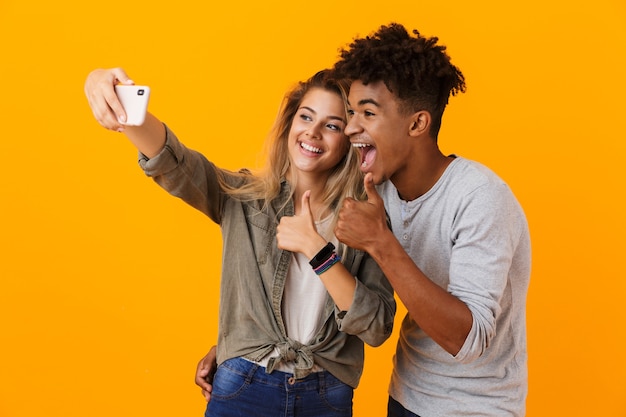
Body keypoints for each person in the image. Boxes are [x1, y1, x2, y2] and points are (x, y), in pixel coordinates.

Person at [196, 23, 531, 417]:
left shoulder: (479, 198)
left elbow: (468, 341)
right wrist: (244, 343)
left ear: (417, 124)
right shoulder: (378, 190)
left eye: (367, 113)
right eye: (351, 113)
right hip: (407, 398)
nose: (352, 127)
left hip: (478, 409)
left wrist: (380, 242)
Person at [84, 67, 396, 417]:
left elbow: (376, 326)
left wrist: (317, 251)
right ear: (290, 124)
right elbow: (177, 163)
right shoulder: (243, 199)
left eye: (332, 125)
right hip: (245, 385)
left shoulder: (366, 219)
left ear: (348, 138)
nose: (313, 131)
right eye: (306, 116)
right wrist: (118, 101)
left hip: (326, 395)